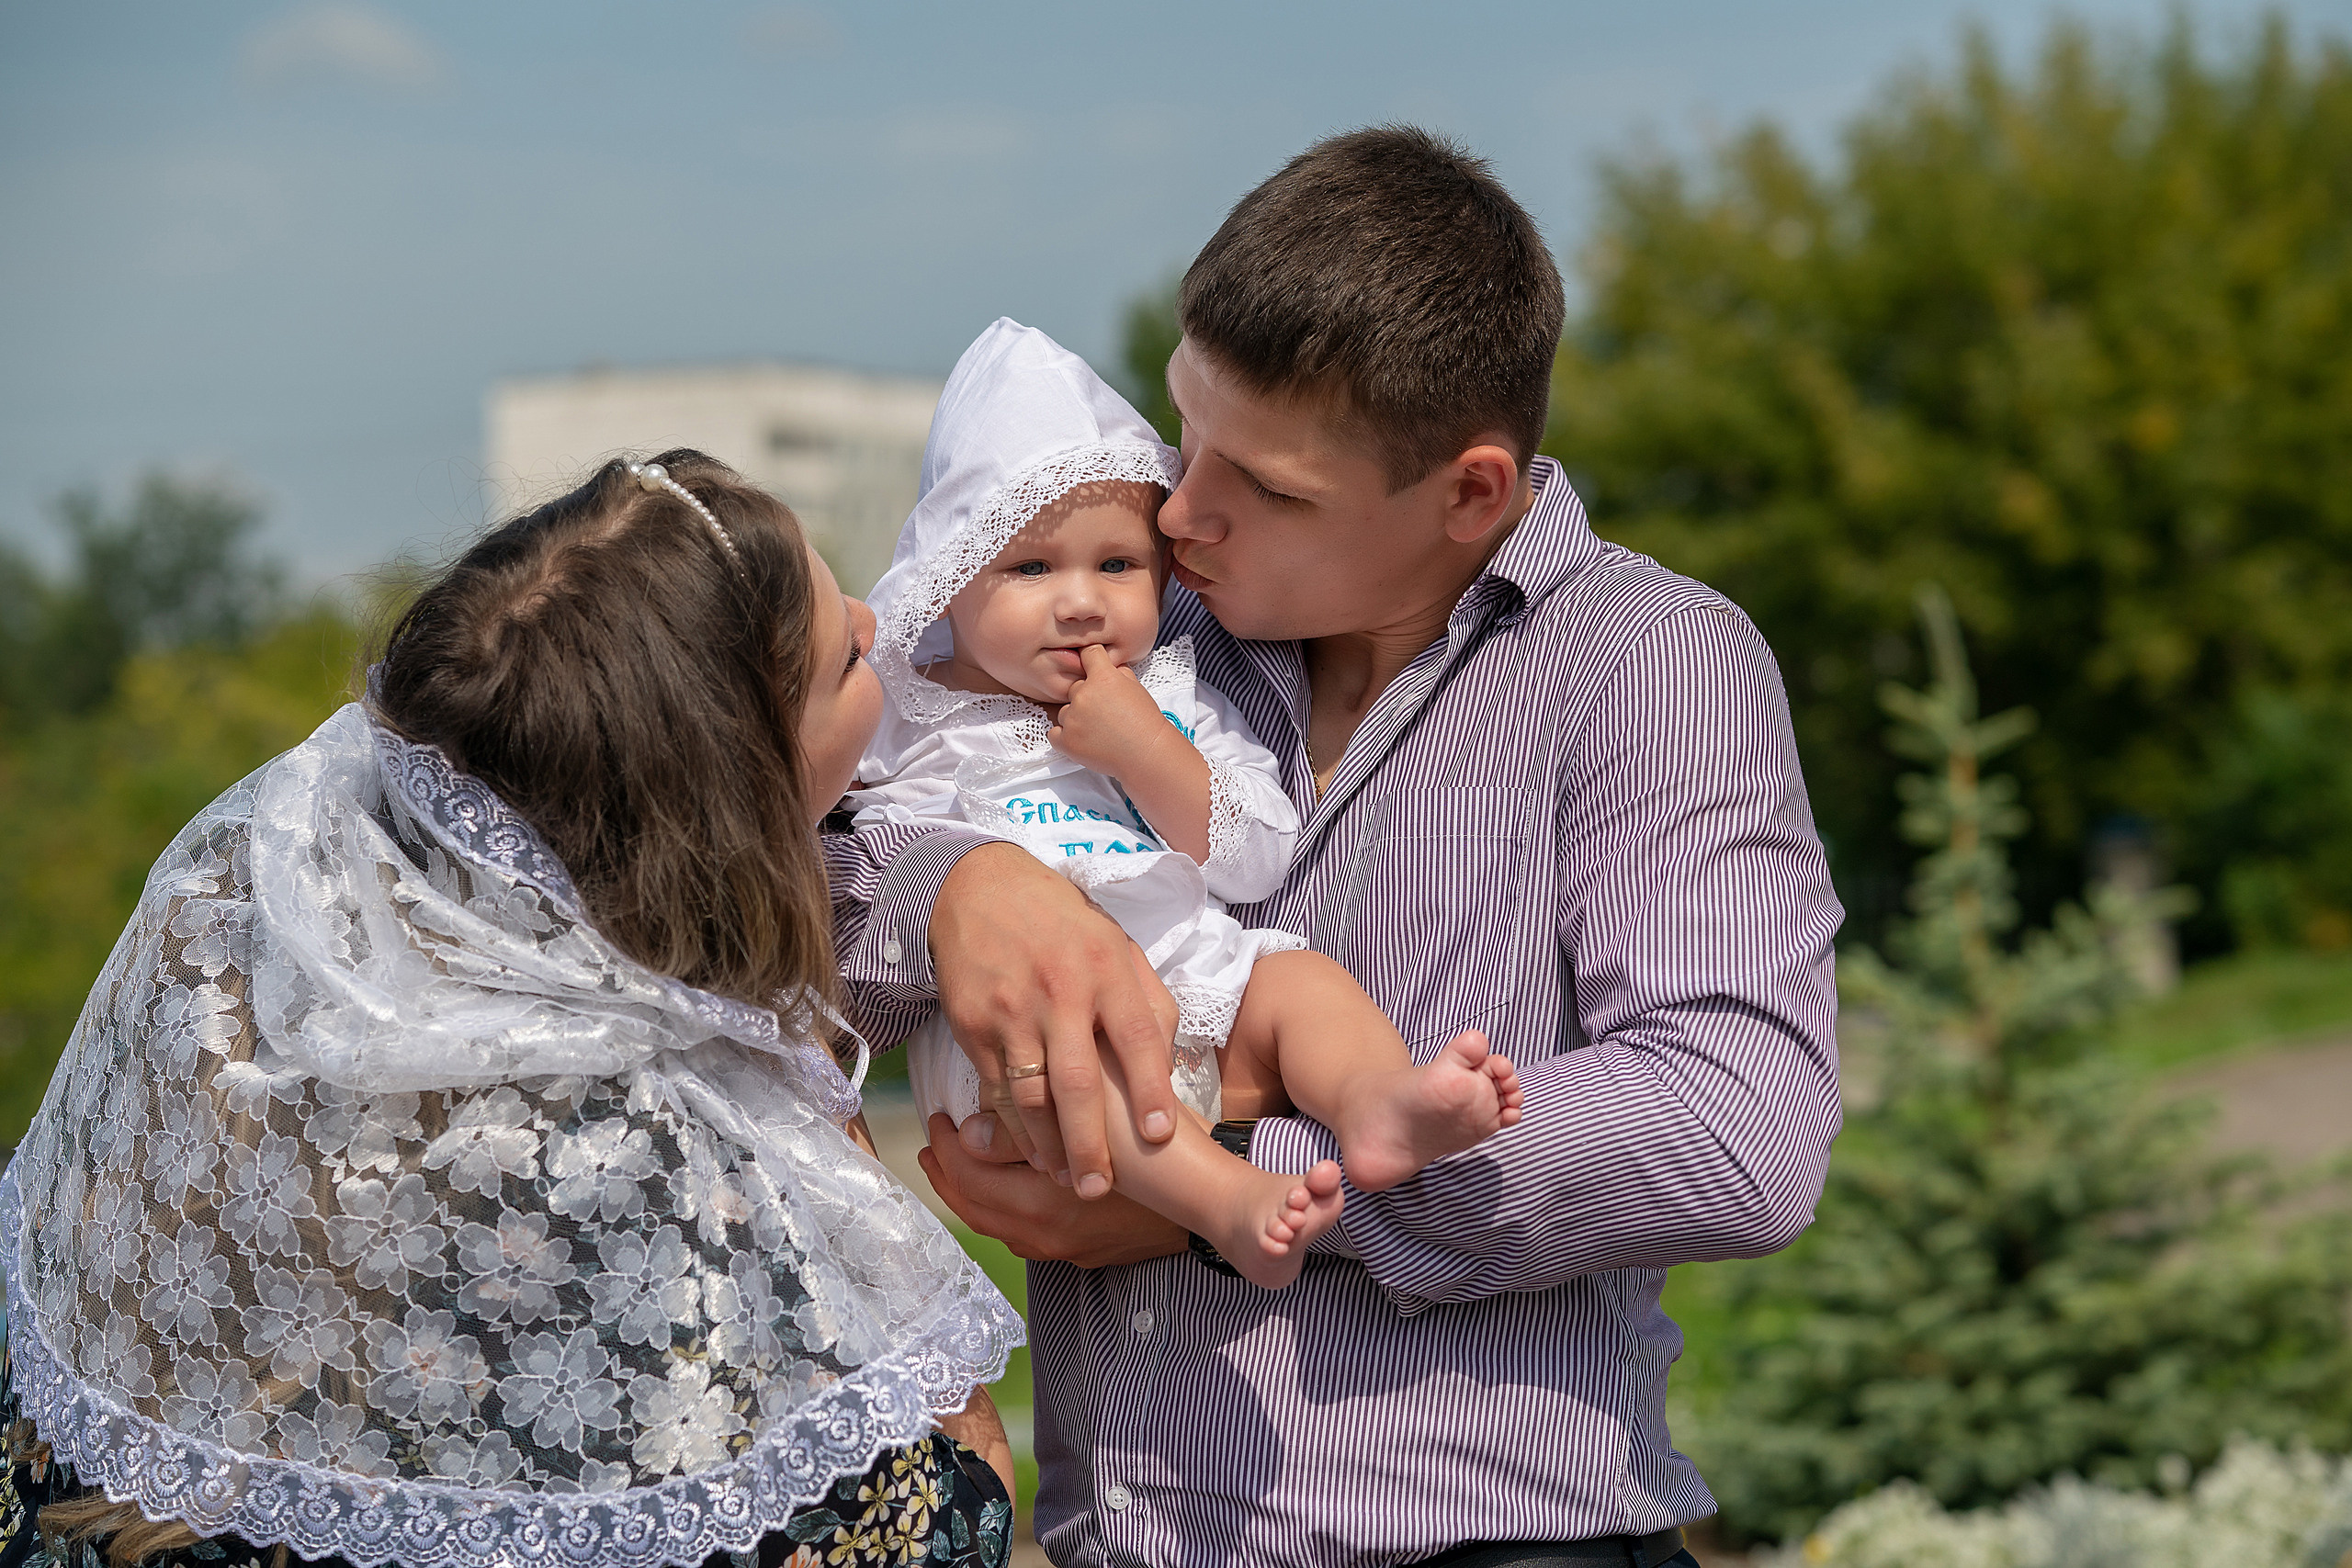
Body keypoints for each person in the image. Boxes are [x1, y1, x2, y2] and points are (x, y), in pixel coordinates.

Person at [827, 129, 1844, 1566]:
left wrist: (1218, 1182)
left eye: (1272, 486)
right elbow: (794, 858)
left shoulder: (1650, 665)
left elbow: (1738, 1132)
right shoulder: (1123, 631)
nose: (1180, 513)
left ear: (1471, 493)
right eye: (1184, 436)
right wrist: (958, 893)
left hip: (1487, 1540)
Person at [0, 452, 1023, 1568]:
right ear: (739, 800)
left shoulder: (209, 1088)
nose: (880, 619)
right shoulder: (659, 1173)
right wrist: (816, 1111)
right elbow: (941, 1519)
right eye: (844, 661)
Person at [851, 319, 1522, 1290]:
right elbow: (823, 849)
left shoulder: (1169, 693)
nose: (1080, 602)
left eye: (1116, 565)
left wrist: (1149, 752)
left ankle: (1377, 1100)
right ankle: (1223, 1201)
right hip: (1031, 1024)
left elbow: (1255, 858)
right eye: (1031, 569)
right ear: (950, 582)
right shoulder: (910, 713)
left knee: (1300, 984)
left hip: (1194, 963)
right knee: (1081, 1061)